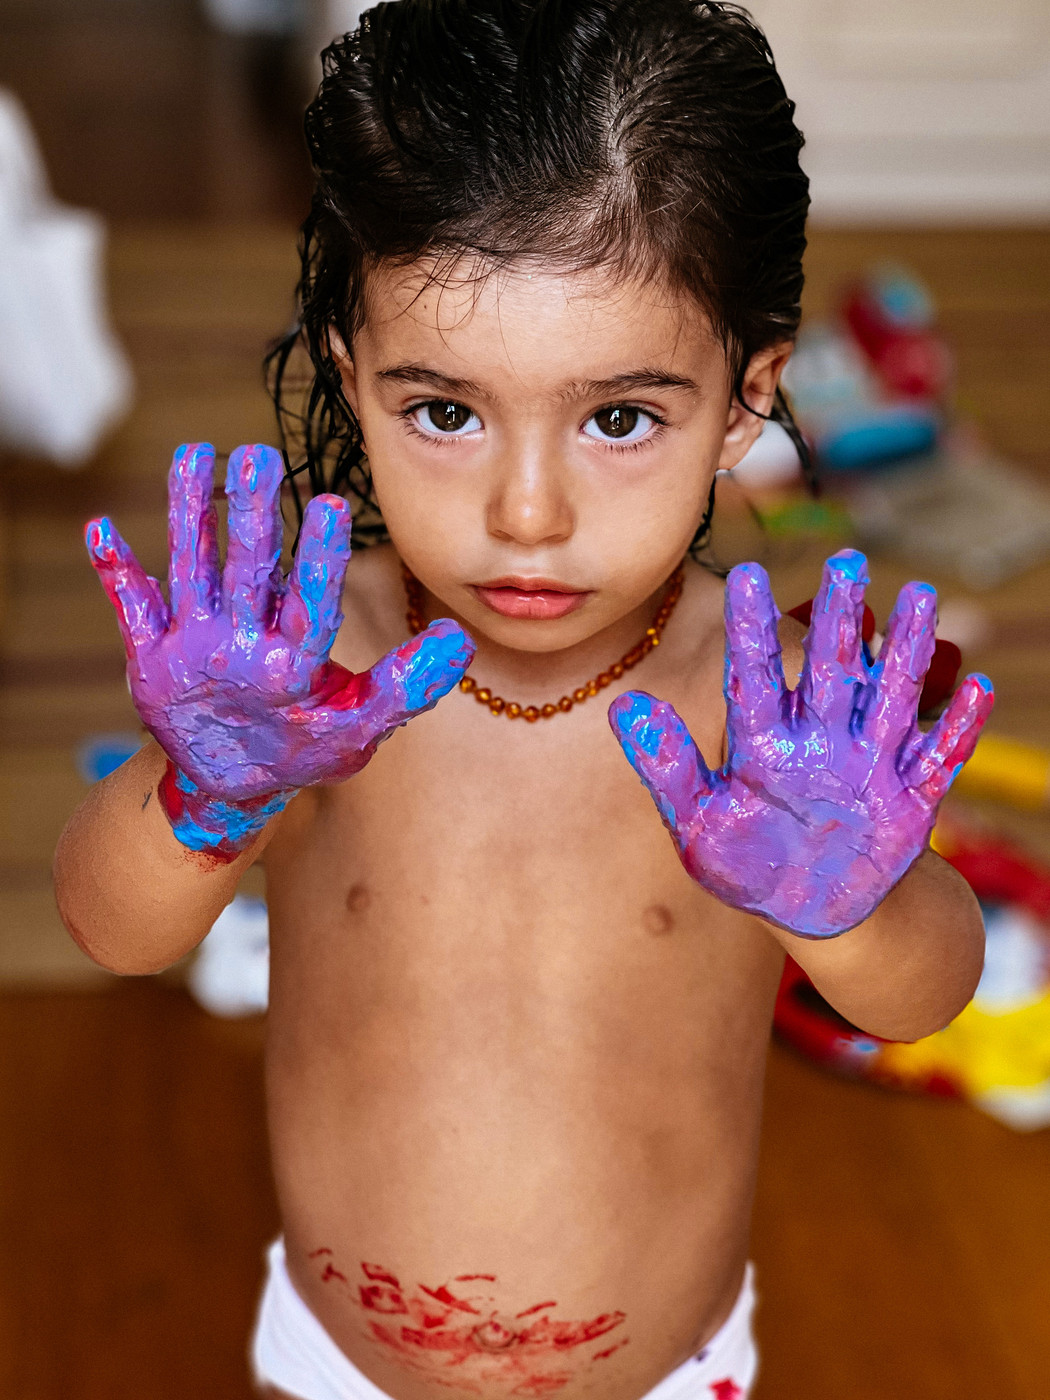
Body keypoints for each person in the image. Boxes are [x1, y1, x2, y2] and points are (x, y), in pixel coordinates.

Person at [54, 3, 994, 1397]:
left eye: (619, 418)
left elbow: (926, 997)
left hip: (667, 1374)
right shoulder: (308, 679)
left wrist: (848, 908)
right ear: (352, 377)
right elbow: (114, 931)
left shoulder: (772, 724)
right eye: (445, 412)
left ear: (745, 398)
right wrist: (203, 795)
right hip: (335, 1366)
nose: (528, 513)